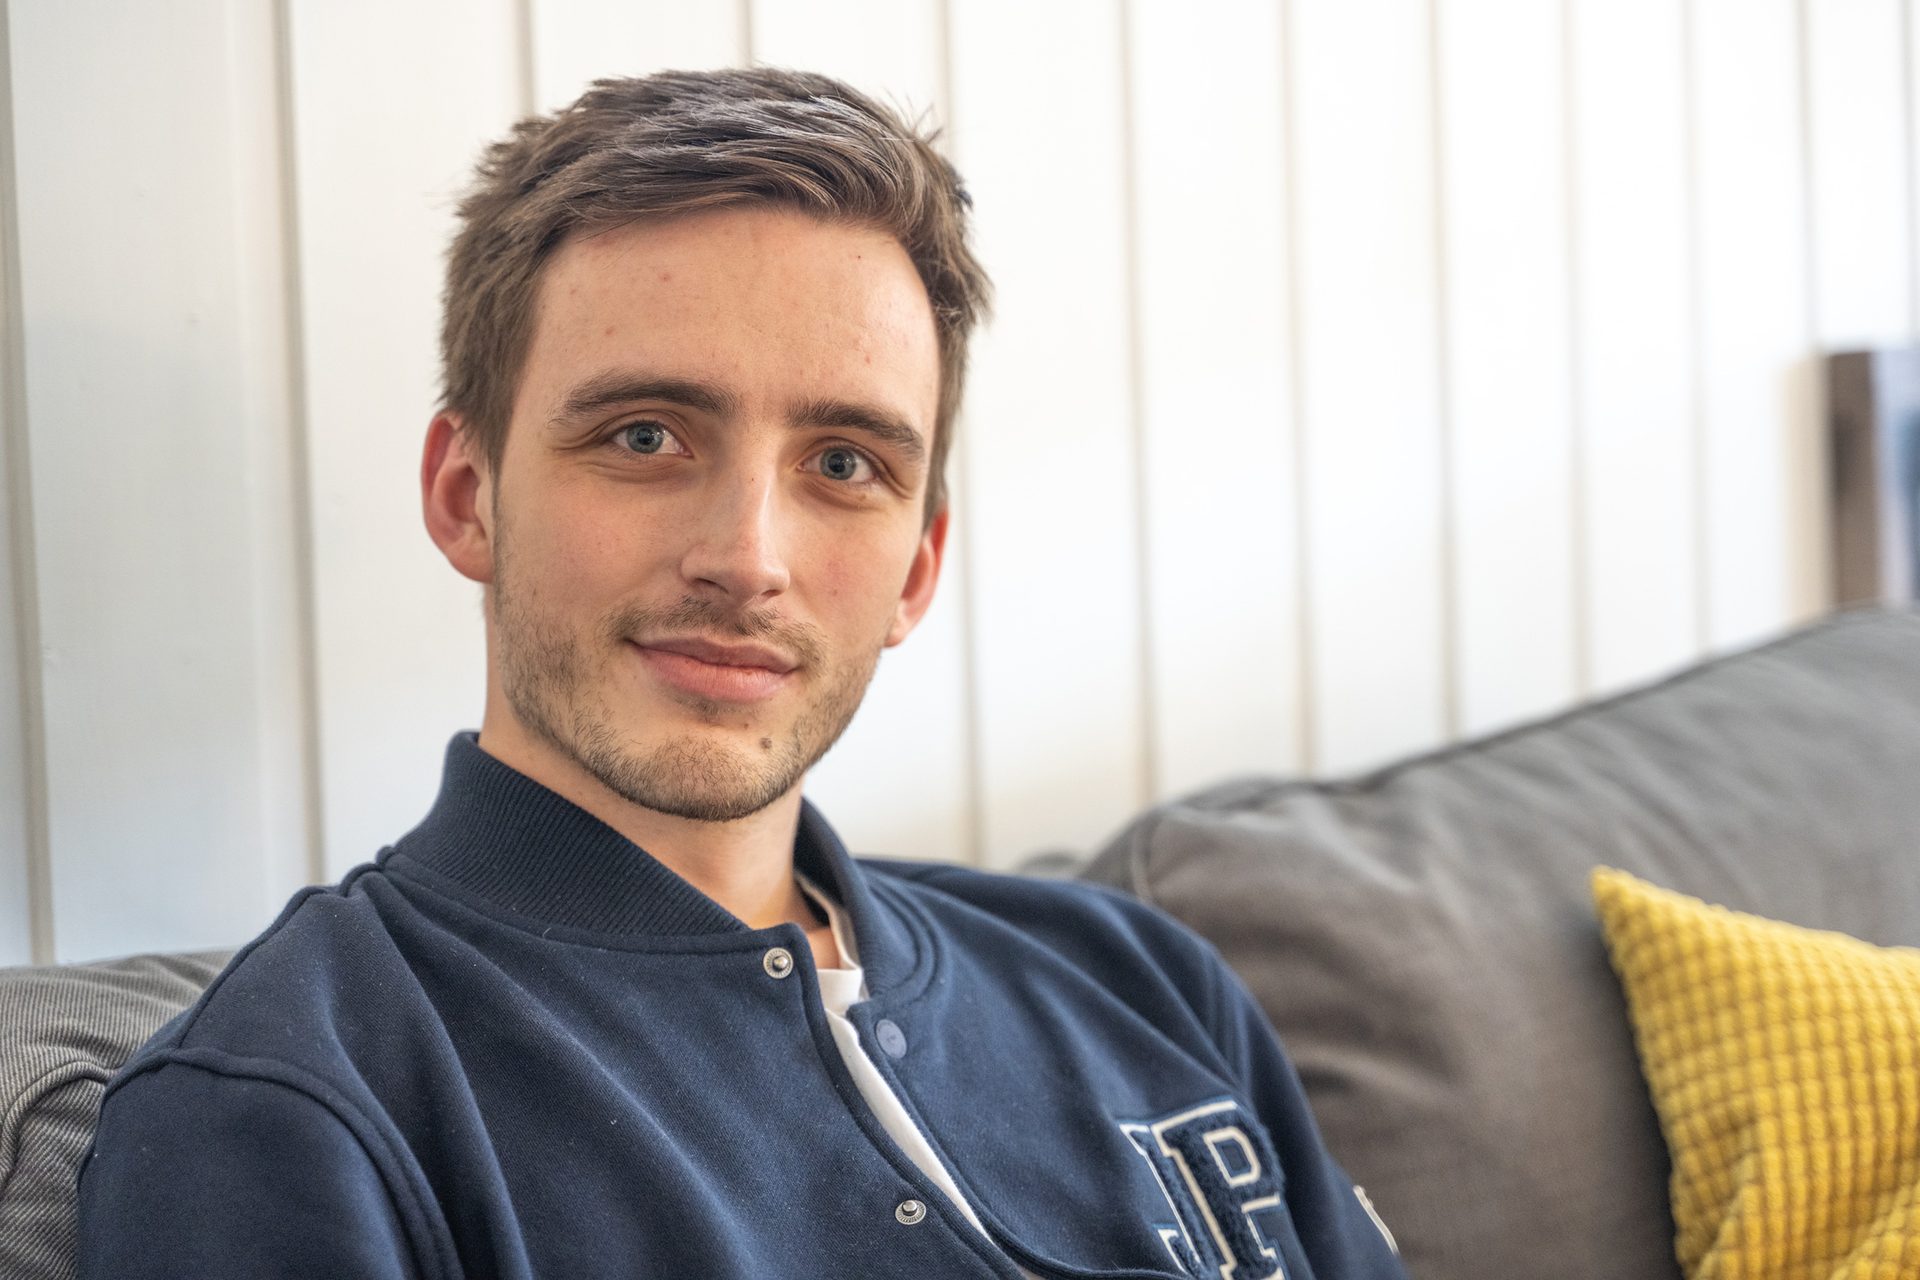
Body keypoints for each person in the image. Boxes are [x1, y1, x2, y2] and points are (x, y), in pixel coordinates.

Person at [75, 68, 1405, 1280]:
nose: (747, 559)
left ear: (917, 568)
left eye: (844, 465)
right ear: (468, 495)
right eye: (645, 436)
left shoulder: (1143, 980)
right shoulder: (284, 1109)